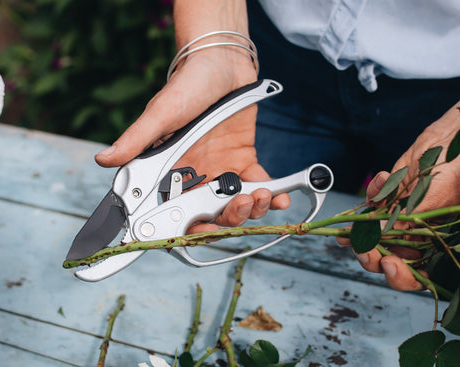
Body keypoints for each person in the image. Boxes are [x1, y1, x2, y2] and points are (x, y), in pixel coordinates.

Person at [94, 0, 460, 291]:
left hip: (445, 92)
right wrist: (214, 44)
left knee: (414, 239)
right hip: (269, 49)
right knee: (241, 206)